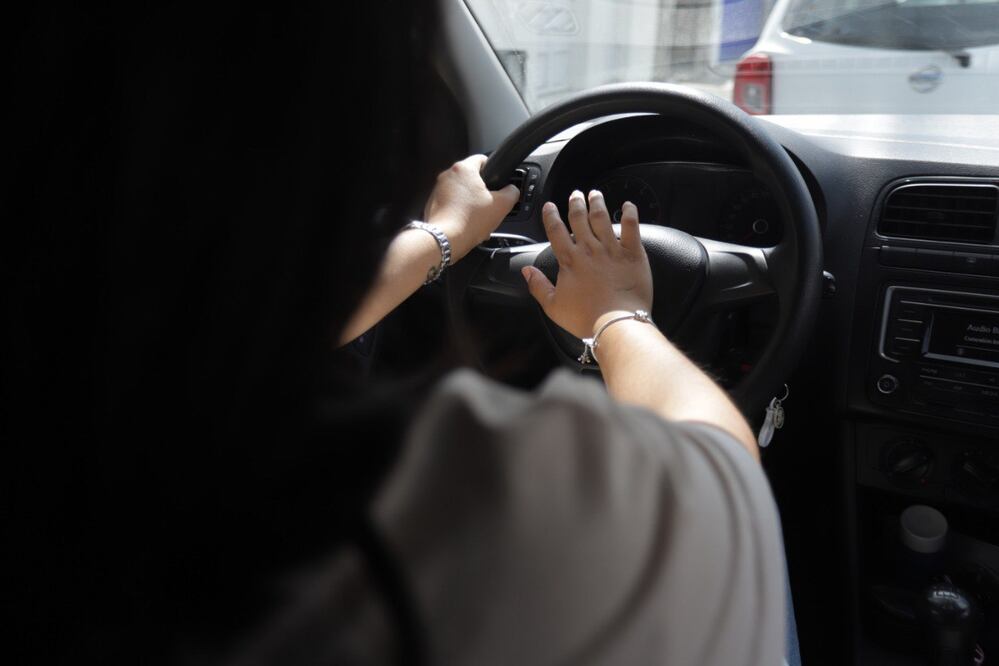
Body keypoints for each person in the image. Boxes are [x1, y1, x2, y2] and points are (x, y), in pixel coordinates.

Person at [4, 2, 790, 664]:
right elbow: (723, 464)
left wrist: (442, 238)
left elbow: (257, 322)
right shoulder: (513, 503)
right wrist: (618, 314)